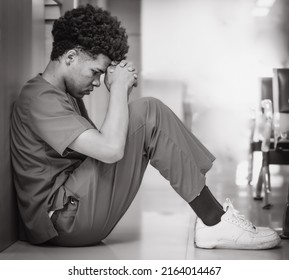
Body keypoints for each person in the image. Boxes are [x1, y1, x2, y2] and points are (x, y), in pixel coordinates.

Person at [10, 4, 280, 250]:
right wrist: (117, 89)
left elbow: (103, 146)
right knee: (147, 111)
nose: (96, 82)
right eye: (95, 72)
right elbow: (110, 149)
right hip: (61, 221)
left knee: (147, 112)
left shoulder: (63, 95)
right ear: (70, 57)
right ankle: (214, 221)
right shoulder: (40, 98)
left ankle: (213, 215)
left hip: (70, 209)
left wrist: (120, 93)